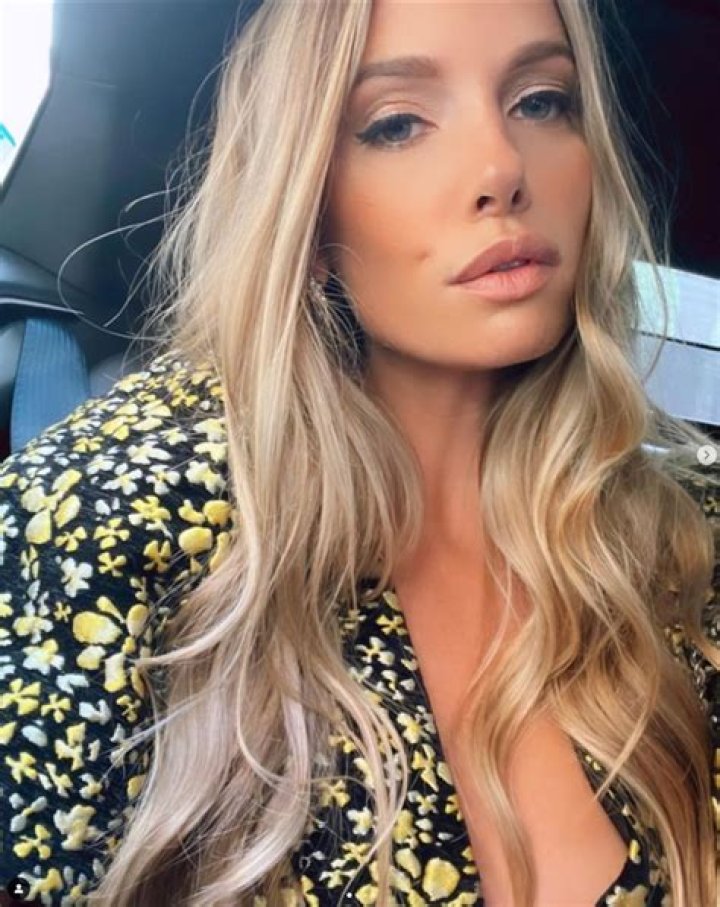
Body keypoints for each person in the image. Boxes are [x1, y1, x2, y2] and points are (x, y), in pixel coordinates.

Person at [1, 0, 718, 904]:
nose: (502, 168)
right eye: (397, 123)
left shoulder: (680, 536)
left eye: (541, 102)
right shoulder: (104, 517)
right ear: (306, 205)